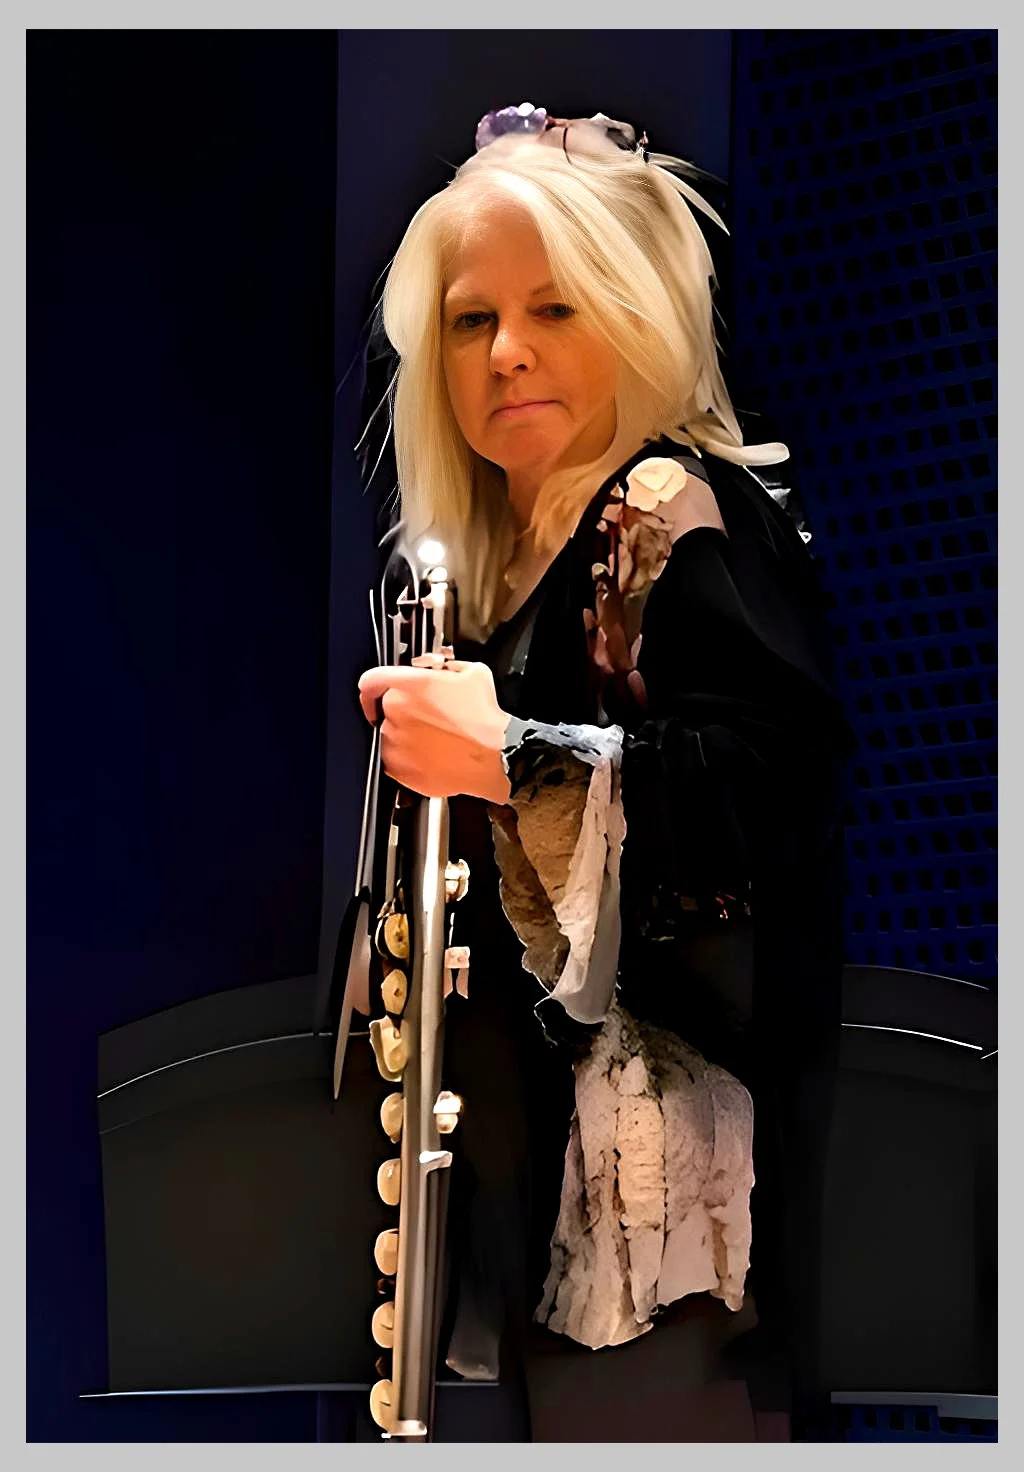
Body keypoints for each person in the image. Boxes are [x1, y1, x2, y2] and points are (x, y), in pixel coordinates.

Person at [355, 104, 853, 1442]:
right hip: (541, 1203)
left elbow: (777, 789)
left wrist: (507, 756)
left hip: (677, 1230)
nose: (507, 352)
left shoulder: (677, 513)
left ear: (634, 310)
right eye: (471, 321)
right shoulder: (501, 569)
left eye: (555, 310)